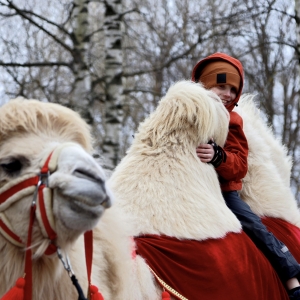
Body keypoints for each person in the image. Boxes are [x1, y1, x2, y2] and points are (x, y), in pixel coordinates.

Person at [191, 52, 300, 299]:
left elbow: (240, 165)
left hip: (224, 193)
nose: (228, 93)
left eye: (233, 89)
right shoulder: (188, 115)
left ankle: (292, 276)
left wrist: (218, 156)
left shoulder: (233, 121)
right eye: (221, 86)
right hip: (191, 191)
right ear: (204, 85)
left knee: (254, 225)